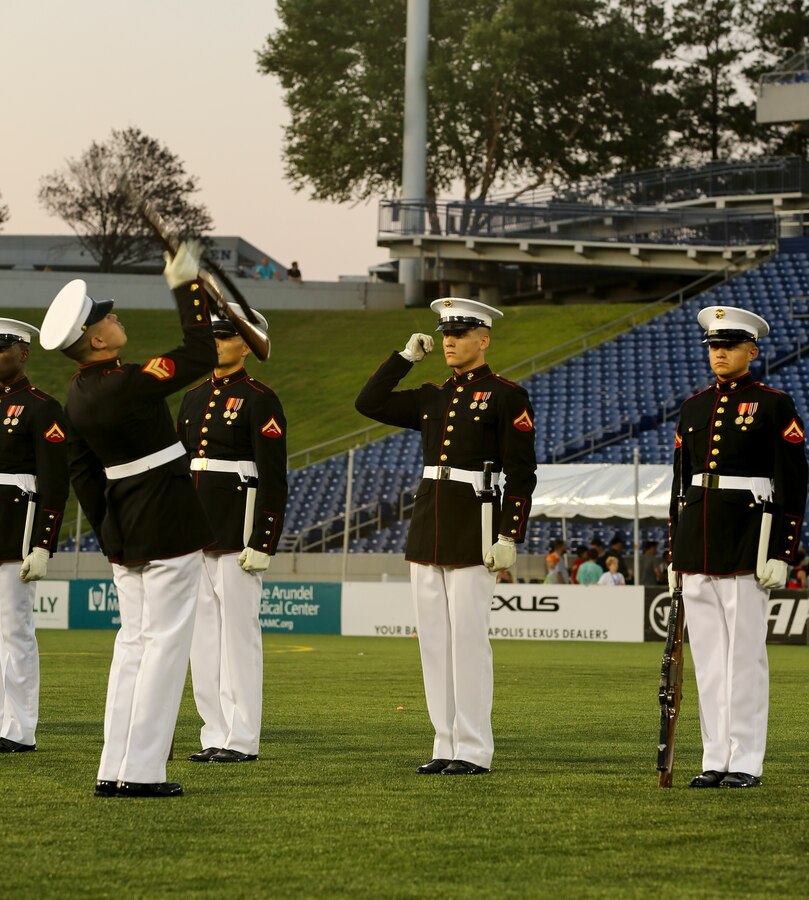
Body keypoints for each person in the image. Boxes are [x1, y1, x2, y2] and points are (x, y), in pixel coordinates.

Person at [39, 241, 218, 798]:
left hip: (126, 531)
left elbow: (84, 474)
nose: (114, 318)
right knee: (164, 648)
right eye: (105, 317)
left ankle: (114, 767)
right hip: (166, 520)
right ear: (95, 340)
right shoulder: (128, 382)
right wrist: (186, 285)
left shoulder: (79, 392)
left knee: (134, 647)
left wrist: (109, 534)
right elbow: (201, 351)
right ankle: (141, 772)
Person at [355, 297, 537, 775]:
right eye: (445, 334)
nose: (450, 341)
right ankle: (445, 743)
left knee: (469, 641)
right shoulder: (433, 395)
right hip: (429, 524)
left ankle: (474, 748)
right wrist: (403, 359)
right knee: (434, 642)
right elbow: (368, 402)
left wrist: (509, 534)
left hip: (474, 527)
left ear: (484, 339)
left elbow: (521, 473)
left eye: (460, 333)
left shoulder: (505, 395)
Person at [669, 305, 808, 789]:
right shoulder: (692, 407)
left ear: (752, 350)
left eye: (728, 346)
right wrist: (673, 552)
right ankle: (715, 757)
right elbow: (679, 486)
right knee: (708, 659)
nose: (719, 353)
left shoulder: (773, 404)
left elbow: (793, 482)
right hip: (698, 541)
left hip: (748, 539)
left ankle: (745, 760)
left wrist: (781, 551)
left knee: (744, 657)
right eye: (713, 346)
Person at [178, 303, 287, 764]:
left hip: (237, 527)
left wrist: (263, 540)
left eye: (224, 335)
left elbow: (274, 475)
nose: (216, 342)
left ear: (246, 343)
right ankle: (214, 732)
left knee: (238, 636)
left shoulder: (261, 397)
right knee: (202, 639)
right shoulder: (192, 396)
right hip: (195, 528)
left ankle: (241, 737)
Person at [0, 319, 69, 753]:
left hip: (13, 530)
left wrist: (43, 543)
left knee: (14, 632)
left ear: (24, 352)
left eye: (2, 347)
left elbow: (54, 482)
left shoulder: (42, 407)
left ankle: (17, 729)